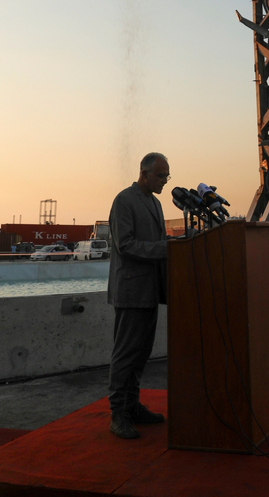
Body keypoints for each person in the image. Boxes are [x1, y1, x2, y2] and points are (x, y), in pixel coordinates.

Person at [107, 152, 170, 439]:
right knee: (126, 354)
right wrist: (166, 249)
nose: (164, 181)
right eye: (160, 176)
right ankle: (118, 414)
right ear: (144, 174)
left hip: (150, 291)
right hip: (131, 291)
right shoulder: (124, 200)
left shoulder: (156, 203)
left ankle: (132, 406)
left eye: (167, 176)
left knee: (141, 354)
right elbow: (126, 244)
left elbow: (159, 244)